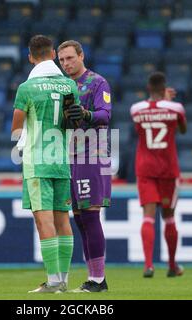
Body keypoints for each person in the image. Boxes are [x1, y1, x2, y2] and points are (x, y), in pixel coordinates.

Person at [11, 35, 80, 293]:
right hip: (62, 161)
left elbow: (16, 127)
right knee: (64, 219)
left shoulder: (26, 89)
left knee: (44, 221)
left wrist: (23, 143)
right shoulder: (69, 86)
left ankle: (52, 282)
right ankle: (63, 280)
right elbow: (75, 121)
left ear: (30, 57)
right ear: (53, 53)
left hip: (37, 162)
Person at [57, 40, 111, 292]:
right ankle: (94, 277)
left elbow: (105, 114)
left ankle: (98, 280)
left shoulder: (97, 82)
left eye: (70, 58)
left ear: (81, 55)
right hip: (71, 156)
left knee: (90, 215)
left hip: (92, 154)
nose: (66, 63)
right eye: (62, 60)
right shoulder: (64, 87)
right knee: (79, 219)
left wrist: (86, 114)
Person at [129, 72, 187, 278]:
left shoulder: (136, 109)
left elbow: (140, 130)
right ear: (165, 89)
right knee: (169, 218)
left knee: (148, 217)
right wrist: (168, 102)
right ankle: (172, 266)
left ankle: (148, 265)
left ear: (148, 88)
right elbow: (183, 129)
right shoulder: (176, 108)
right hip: (168, 170)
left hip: (145, 168)